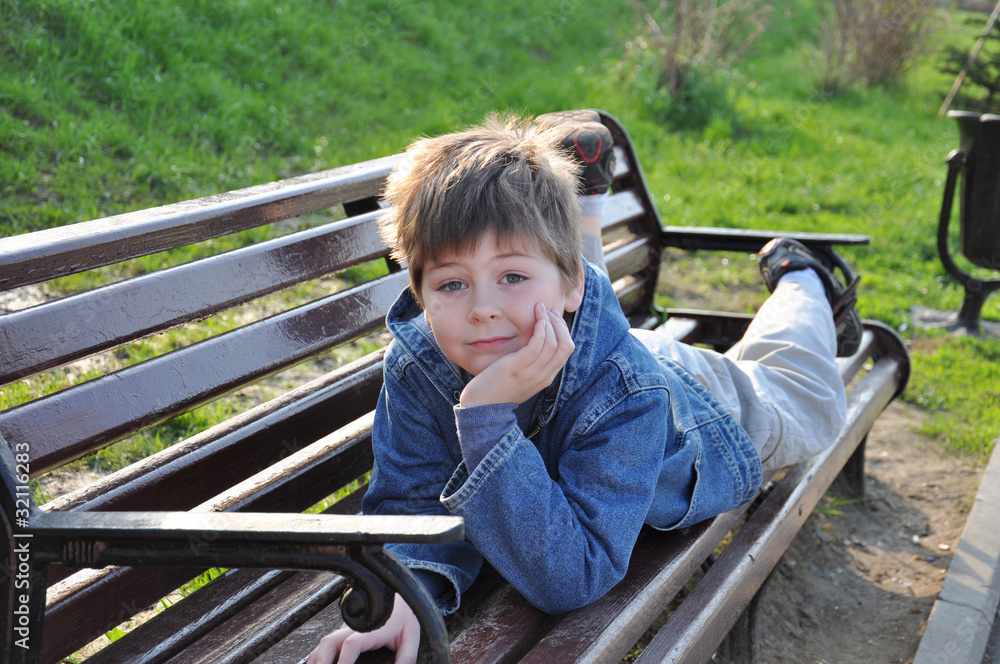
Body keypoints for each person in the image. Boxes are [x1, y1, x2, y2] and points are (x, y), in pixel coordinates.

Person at [307, 111, 862, 664]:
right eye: (452, 284)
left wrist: (486, 417)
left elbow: (574, 575)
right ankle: (578, 228)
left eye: (511, 276)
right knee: (552, 305)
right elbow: (410, 506)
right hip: (592, 342)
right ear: (421, 296)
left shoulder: (627, 394)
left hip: (699, 411)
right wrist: (405, 594)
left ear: (572, 285)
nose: (482, 310)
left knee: (805, 392)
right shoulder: (419, 365)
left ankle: (803, 279)